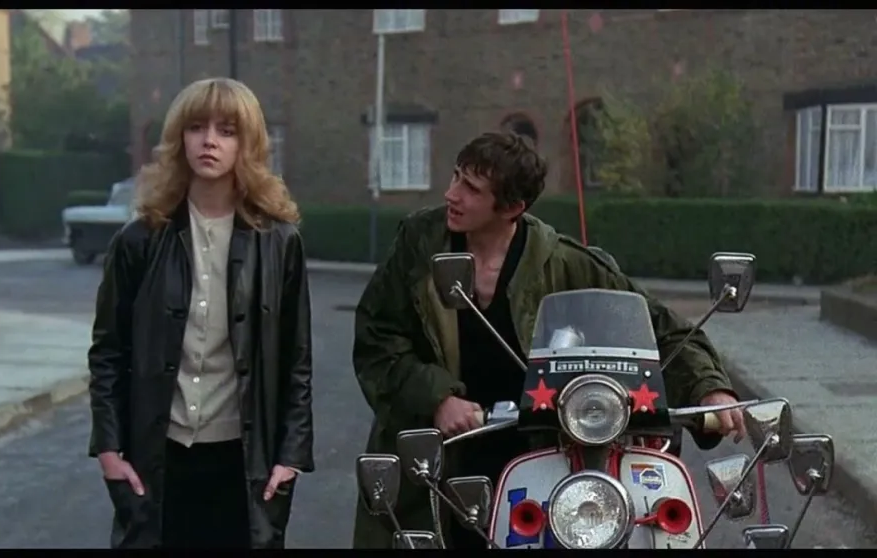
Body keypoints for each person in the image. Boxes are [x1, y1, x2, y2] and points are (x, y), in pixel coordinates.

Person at [350, 132, 744, 549]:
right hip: (440, 451)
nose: (452, 194)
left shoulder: (565, 263)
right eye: (455, 177)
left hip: (536, 456)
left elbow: (663, 328)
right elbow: (377, 336)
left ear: (512, 208)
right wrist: (437, 397)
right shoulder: (419, 245)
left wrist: (708, 388)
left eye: (471, 188)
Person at [87, 77, 314, 550]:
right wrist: (108, 449)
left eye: (226, 131)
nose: (209, 141)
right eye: (196, 127)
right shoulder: (138, 241)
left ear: (247, 144)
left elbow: (296, 360)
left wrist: (290, 457)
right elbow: (108, 352)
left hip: (243, 461)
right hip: (159, 458)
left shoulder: (279, 242)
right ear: (179, 138)